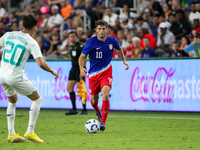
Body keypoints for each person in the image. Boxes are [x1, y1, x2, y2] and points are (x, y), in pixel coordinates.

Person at [0, 14, 58, 143]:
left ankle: (11, 134)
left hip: (2, 75)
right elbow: (41, 63)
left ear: (22, 25)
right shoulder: (32, 42)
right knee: (37, 99)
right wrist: (51, 71)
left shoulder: (8, 35)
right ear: (33, 28)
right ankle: (30, 132)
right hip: (15, 76)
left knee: (12, 101)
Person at [78, 20, 129, 131]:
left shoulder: (112, 41)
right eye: (99, 29)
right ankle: (97, 110)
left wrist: (124, 60)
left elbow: (119, 48)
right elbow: (82, 57)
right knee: (94, 100)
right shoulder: (91, 42)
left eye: (103, 28)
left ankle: (103, 123)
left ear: (107, 29)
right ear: (96, 30)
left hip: (106, 72)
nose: (101, 31)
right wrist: (82, 68)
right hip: (93, 75)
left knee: (105, 95)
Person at [65, 31, 87, 115]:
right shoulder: (71, 46)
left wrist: (83, 69)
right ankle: (74, 109)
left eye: (73, 36)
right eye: (70, 37)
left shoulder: (80, 46)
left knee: (80, 89)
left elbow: (84, 58)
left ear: (76, 37)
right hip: (73, 69)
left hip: (79, 69)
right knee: (69, 88)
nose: (72, 38)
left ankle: (84, 109)